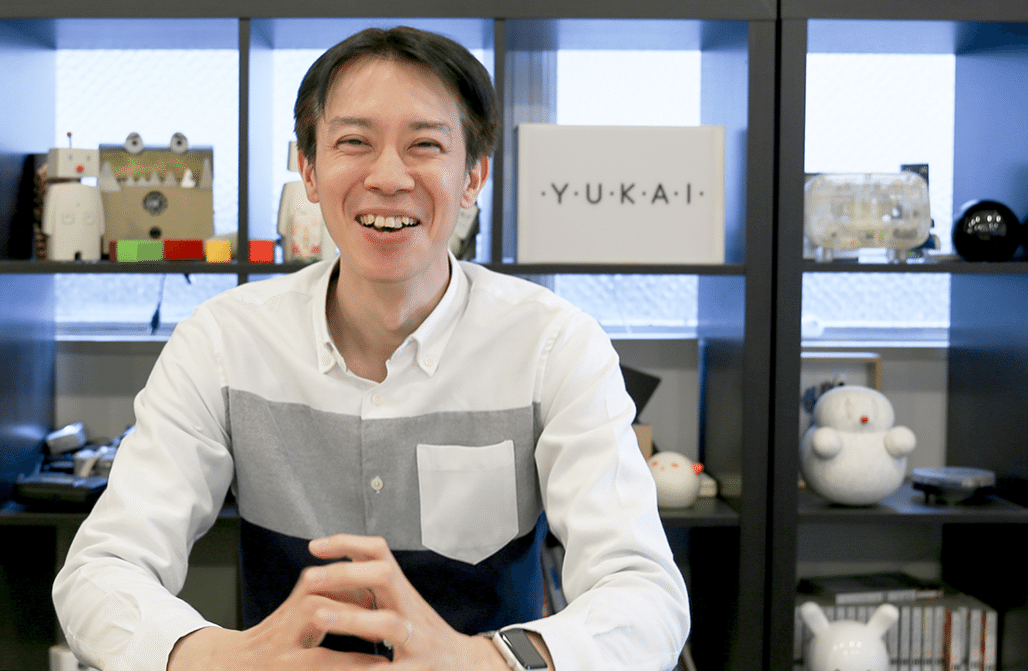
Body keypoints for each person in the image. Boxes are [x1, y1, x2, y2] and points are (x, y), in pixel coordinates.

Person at [53, 26, 690, 671]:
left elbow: (645, 595)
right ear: (309, 170)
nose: (388, 177)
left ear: (473, 177)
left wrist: (482, 662)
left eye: (425, 144)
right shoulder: (223, 342)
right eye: (354, 142)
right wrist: (224, 657)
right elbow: (102, 567)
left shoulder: (554, 345)